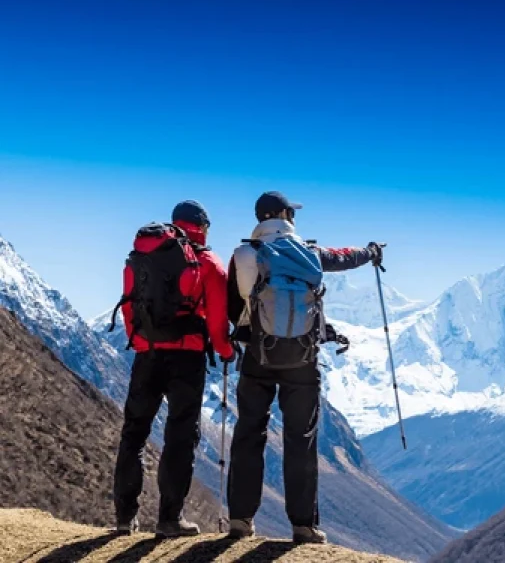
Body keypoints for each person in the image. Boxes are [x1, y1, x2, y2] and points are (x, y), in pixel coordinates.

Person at [226, 191, 383, 543]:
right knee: (302, 439)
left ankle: (240, 520)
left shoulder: (243, 255)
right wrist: (371, 252)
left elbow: (230, 309)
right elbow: (344, 257)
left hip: (257, 355)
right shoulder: (310, 253)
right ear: (284, 214)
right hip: (302, 357)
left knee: (249, 433)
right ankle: (304, 525)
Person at [112, 200, 235, 537]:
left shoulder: (140, 258)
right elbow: (217, 319)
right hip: (186, 358)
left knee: (133, 434)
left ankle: (124, 518)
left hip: (147, 353)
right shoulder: (207, 261)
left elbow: (128, 306)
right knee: (180, 436)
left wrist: (141, 344)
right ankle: (169, 519)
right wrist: (225, 351)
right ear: (202, 226)